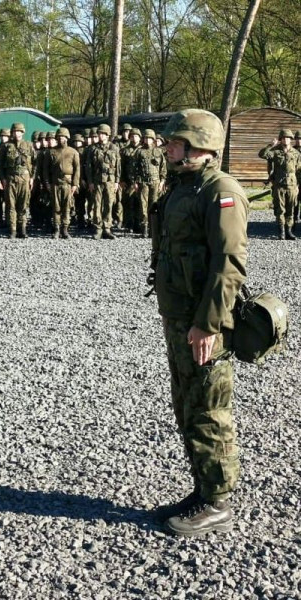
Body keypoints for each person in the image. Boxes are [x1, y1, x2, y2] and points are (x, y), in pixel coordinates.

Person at [150, 109, 248, 537]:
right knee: (187, 406)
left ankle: (218, 502)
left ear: (199, 145)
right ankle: (202, 488)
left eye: (176, 141)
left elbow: (229, 264)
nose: (168, 147)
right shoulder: (184, 186)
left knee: (209, 410)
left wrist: (209, 325)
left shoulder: (220, 190)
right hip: (179, 316)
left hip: (203, 321)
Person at [258, 129, 300, 240]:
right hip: (279, 184)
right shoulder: (275, 151)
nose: (286, 140)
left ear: (291, 140)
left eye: (288, 138)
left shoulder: (296, 153)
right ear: (280, 139)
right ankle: (281, 231)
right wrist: (270, 145)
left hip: (292, 184)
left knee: (290, 208)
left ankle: (289, 231)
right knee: (280, 209)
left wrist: (298, 186)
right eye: (283, 138)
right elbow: (262, 154)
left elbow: (299, 170)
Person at [0, 122, 36, 239]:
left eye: (19, 131)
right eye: (14, 131)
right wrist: (2, 178)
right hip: (11, 179)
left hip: (25, 178)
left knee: (23, 205)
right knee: (11, 205)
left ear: (22, 132)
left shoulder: (28, 145)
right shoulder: (6, 146)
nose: (16, 133)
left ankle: (22, 229)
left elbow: (35, 163)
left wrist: (32, 178)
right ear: (12, 133)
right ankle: (13, 229)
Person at [44, 128, 80, 239]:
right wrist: (47, 183)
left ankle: (65, 229)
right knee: (56, 206)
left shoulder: (73, 152)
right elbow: (45, 169)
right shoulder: (51, 152)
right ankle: (56, 229)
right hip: (55, 182)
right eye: (59, 137)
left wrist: (75, 184)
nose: (61, 139)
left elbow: (77, 169)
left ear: (67, 138)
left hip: (68, 184)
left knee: (67, 207)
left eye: (63, 137)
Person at [88, 123, 121, 239]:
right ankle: (98, 228)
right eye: (99, 133)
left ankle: (107, 228)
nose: (100, 136)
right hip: (97, 181)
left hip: (110, 181)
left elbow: (118, 166)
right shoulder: (93, 148)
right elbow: (89, 167)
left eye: (103, 134)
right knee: (97, 205)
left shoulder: (114, 148)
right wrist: (90, 182)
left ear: (107, 135)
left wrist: (117, 181)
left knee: (109, 204)